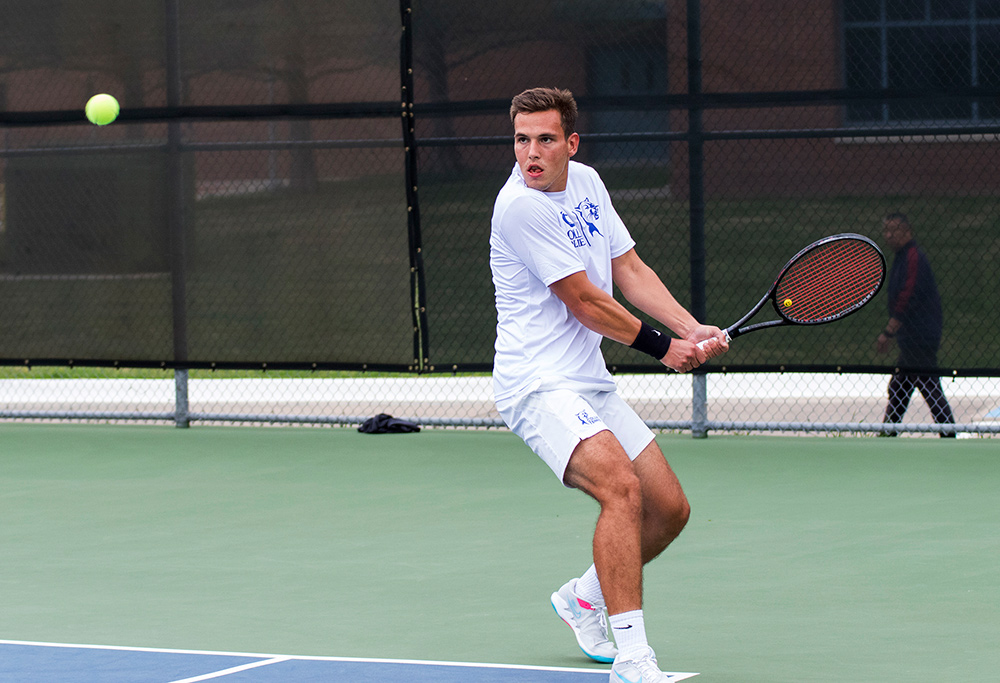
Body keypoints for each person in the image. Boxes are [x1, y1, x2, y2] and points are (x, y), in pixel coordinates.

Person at [490, 87, 728, 682]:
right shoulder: (520, 207)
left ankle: (584, 598)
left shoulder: (589, 184)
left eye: (545, 139)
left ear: (571, 143)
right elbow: (587, 302)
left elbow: (628, 271)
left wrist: (689, 326)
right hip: (536, 385)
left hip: (587, 381)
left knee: (669, 509)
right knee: (621, 490)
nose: (531, 154)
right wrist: (663, 348)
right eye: (522, 140)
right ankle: (634, 658)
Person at [876, 212, 956, 437]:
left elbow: (908, 295)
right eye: (886, 230)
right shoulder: (903, 256)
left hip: (919, 335)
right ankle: (888, 433)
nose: (889, 235)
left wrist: (889, 330)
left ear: (907, 231)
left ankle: (949, 433)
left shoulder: (913, 257)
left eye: (894, 230)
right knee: (900, 385)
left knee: (927, 385)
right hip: (912, 336)